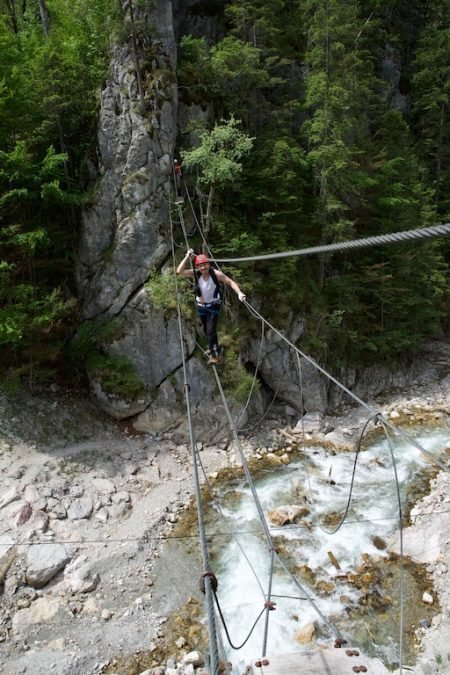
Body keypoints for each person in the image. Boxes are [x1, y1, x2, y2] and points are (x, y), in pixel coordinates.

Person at [176, 249, 246, 364]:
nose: (203, 268)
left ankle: (215, 356)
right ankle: (213, 347)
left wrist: (239, 293)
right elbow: (179, 271)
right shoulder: (196, 274)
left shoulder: (216, 274)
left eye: (205, 265)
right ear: (197, 267)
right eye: (200, 266)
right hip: (201, 306)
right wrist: (186, 257)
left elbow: (230, 282)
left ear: (208, 264)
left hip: (213, 306)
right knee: (206, 329)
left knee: (211, 330)